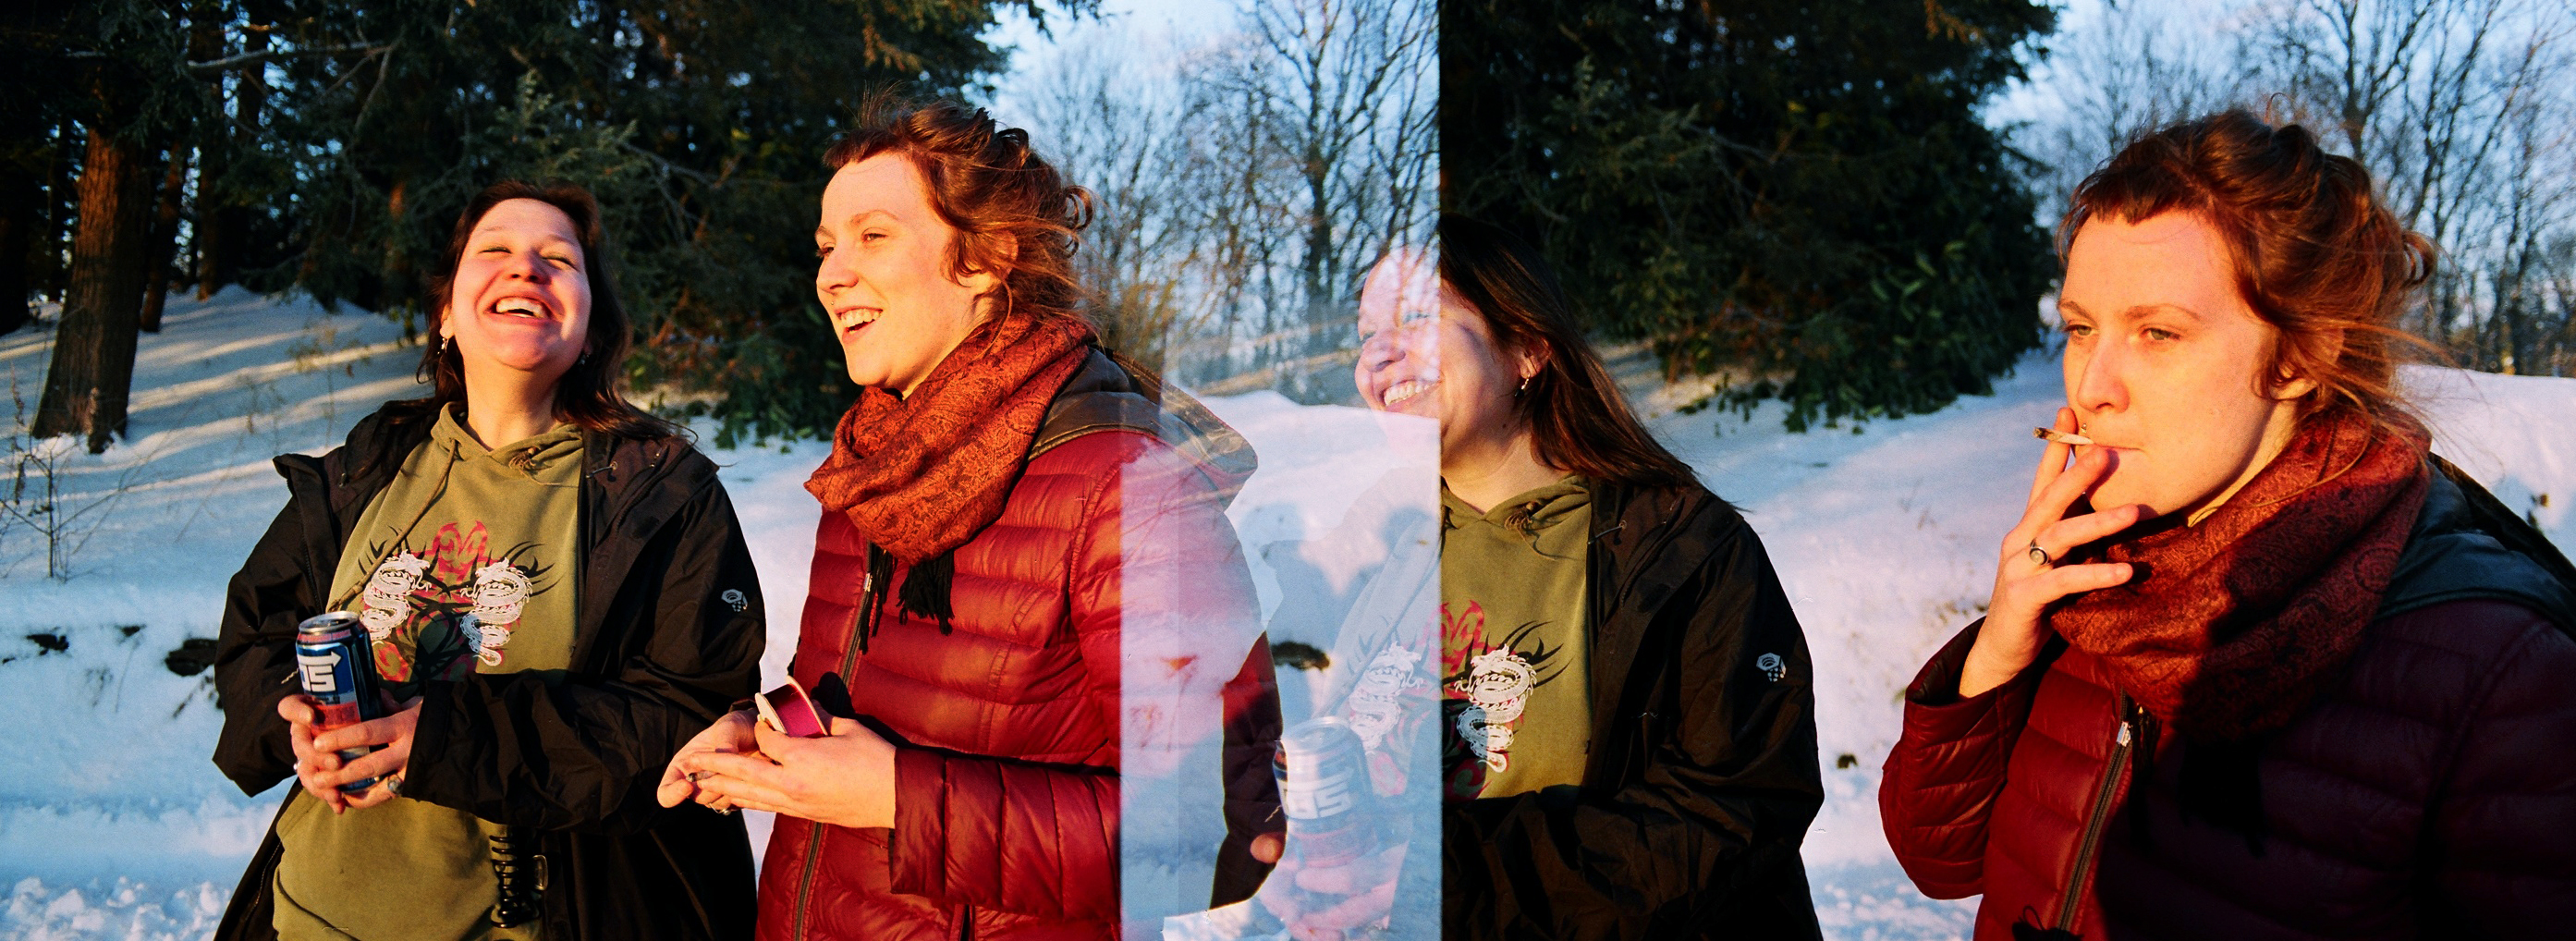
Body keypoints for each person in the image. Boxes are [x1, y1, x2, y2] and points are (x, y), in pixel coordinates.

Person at [1878, 110, 2576, 940]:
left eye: (2157, 332)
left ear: (2297, 356)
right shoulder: (2090, 572)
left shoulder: (2497, 671)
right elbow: (1939, 862)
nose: (2092, 384)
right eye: (2079, 328)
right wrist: (1998, 646)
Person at [656, 98, 1277, 941]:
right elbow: (890, 702)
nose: (832, 273)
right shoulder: (874, 468)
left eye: (873, 236)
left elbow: (1223, 833)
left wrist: (898, 798)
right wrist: (769, 735)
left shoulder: (1128, 487)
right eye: (826, 246)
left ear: (987, 259)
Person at [210, 180, 767, 940]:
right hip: (306, 917)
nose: (525, 269)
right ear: (445, 312)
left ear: (594, 326)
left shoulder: (662, 496)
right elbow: (256, 642)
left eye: (558, 259)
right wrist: (296, 720)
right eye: (495, 251)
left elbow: (686, 718)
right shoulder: (361, 474)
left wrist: (442, 739)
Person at [1354, 215, 1823, 940]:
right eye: (1362, 334)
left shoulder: (1682, 547)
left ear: (1528, 350)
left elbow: (1736, 812)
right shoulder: (1370, 552)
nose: (1378, 355)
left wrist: (1440, 876)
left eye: (1414, 318)